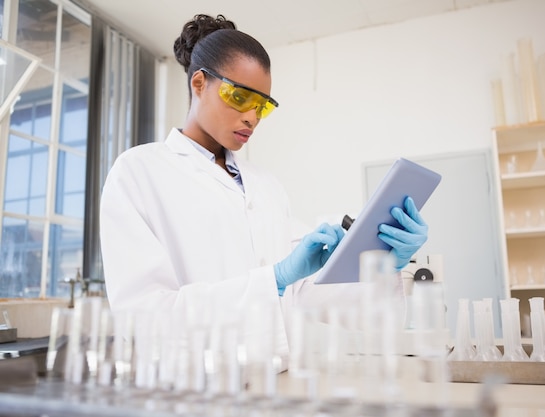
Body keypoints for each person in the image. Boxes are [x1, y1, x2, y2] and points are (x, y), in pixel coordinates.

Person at [99, 13, 428, 370]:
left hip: (273, 388)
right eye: (240, 97)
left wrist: (382, 266)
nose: (251, 117)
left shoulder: (265, 187)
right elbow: (144, 318)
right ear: (199, 83)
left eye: (262, 106)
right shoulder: (139, 172)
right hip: (190, 392)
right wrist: (273, 280)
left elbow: (307, 291)